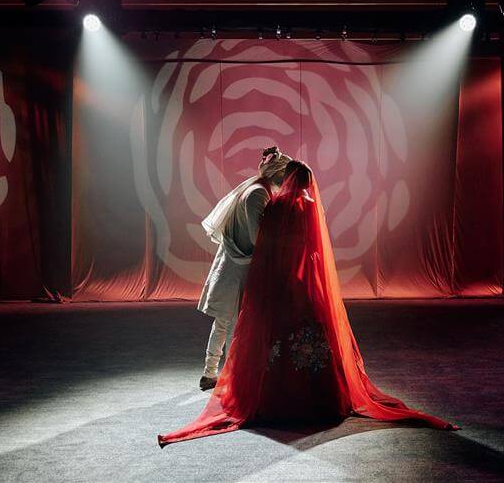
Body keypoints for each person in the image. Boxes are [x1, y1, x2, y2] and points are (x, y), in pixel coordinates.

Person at [159, 160, 458, 446]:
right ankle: (318, 393)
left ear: (286, 178)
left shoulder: (277, 206)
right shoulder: (310, 206)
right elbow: (311, 248)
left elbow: (267, 245)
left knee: (264, 332)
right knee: (308, 331)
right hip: (305, 277)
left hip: (280, 277)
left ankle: (259, 387)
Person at [196, 146, 292, 391]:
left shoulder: (259, 190)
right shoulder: (258, 194)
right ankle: (223, 373)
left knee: (226, 320)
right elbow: (256, 235)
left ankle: (213, 371)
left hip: (238, 263)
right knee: (229, 320)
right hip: (237, 267)